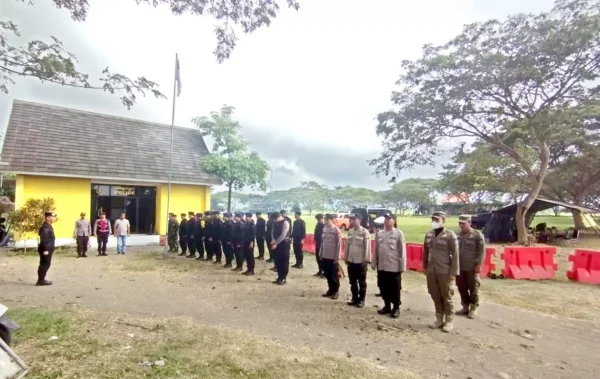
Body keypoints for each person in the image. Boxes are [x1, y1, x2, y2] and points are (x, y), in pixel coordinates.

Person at [422, 211, 459, 333]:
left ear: (443, 220)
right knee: (434, 294)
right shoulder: (428, 235)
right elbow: (426, 253)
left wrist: (453, 272)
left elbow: (455, 255)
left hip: (444, 270)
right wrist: (424, 267)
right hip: (431, 270)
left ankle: (449, 320)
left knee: (446, 295)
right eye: (433, 219)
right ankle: (439, 318)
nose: (434, 222)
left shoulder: (450, 235)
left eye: (437, 220)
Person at [372, 213, 406, 318]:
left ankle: (396, 308)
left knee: (394, 289)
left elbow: (402, 251)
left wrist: (402, 266)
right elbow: (376, 249)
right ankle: (387, 306)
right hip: (381, 266)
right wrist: (374, 262)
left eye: (389, 219)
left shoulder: (398, 234)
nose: (386, 221)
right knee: (383, 287)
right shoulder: (380, 233)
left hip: (393, 266)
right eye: (385, 219)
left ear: (394, 221)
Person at [456, 215, 485, 319]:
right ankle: (465, 306)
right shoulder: (457, 234)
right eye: (460, 223)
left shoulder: (477, 235)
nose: (461, 225)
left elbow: (482, 252)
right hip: (459, 267)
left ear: (470, 223)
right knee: (461, 287)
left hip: (471, 266)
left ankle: (473, 308)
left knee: (473, 288)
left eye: (463, 223)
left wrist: (479, 264)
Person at [345, 213, 371, 308]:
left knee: (361, 282)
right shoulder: (350, 232)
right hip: (351, 261)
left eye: (354, 219)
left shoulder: (365, 232)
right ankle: (354, 298)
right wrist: (346, 257)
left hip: (360, 262)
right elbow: (348, 246)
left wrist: (366, 260)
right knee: (352, 282)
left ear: (359, 220)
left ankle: (361, 300)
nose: (351, 221)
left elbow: (367, 247)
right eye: (351, 219)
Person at [320, 214, 342, 299]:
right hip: (325, 255)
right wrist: (320, 254)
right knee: (327, 274)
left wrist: (337, 257)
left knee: (334, 275)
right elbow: (322, 244)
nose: (325, 221)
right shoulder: (324, 229)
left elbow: (339, 245)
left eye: (327, 220)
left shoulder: (336, 230)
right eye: (324, 219)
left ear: (331, 220)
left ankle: (336, 291)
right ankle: (330, 289)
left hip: (332, 257)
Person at [36, 211, 57, 286]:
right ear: (48, 218)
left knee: (45, 264)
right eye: (53, 217)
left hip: (47, 249)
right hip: (46, 249)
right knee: (45, 264)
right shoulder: (45, 227)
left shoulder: (48, 226)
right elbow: (44, 240)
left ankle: (41, 279)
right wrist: (46, 250)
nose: (54, 218)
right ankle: (41, 280)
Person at [270, 211, 291, 285]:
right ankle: (279, 277)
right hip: (276, 242)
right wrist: (273, 240)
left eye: (275, 219)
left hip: (284, 243)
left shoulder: (285, 223)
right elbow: (272, 232)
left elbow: (283, 234)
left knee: (284, 261)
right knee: (277, 260)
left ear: (279, 216)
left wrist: (276, 243)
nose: (275, 221)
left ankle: (283, 278)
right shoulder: (275, 222)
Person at [313, 214, 325, 278]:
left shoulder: (325, 225)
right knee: (318, 258)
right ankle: (320, 270)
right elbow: (316, 232)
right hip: (318, 243)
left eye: (319, 219)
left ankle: (324, 271)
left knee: (322, 258)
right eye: (317, 219)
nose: (318, 220)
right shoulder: (317, 225)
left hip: (323, 244)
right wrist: (314, 238)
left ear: (322, 218)